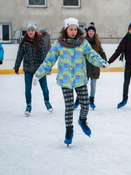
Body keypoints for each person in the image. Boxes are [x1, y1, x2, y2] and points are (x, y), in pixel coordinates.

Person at [33, 18, 109, 146]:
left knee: (85, 104)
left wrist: (102, 63)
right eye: (70, 29)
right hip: (65, 80)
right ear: (66, 30)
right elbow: (49, 61)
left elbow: (92, 55)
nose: (73, 32)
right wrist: (38, 74)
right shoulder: (59, 44)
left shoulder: (83, 43)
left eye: (75, 29)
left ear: (78, 30)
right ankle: (69, 130)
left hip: (80, 80)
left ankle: (82, 120)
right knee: (69, 107)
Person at [13, 22, 53, 116]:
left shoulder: (40, 41)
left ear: (35, 31)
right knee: (27, 88)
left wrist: (46, 68)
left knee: (45, 89)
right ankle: (28, 105)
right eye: (28, 30)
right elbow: (19, 55)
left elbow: (44, 56)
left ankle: (47, 101)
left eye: (32, 30)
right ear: (27, 31)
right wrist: (17, 66)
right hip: (28, 68)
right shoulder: (24, 43)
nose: (30, 32)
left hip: (39, 69)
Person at [74, 22, 107, 110]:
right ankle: (77, 100)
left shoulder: (97, 43)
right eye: (90, 31)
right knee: (82, 85)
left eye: (92, 31)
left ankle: (91, 100)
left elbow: (102, 53)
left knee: (93, 85)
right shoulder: (84, 42)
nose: (91, 32)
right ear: (87, 32)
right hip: (85, 67)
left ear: (94, 32)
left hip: (95, 67)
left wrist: (105, 61)